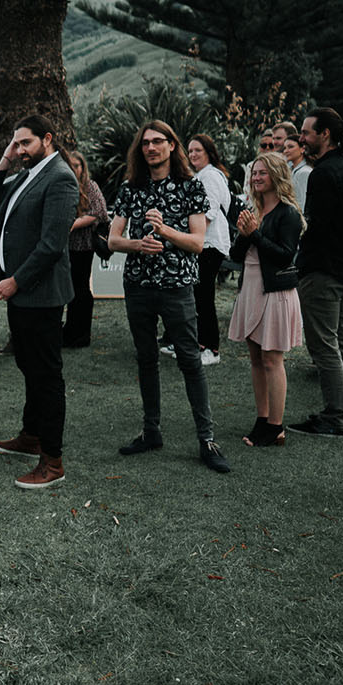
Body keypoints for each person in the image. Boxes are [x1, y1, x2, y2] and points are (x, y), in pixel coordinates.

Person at [108, 121, 230, 474]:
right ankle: (151, 431)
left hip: (177, 285)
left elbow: (196, 242)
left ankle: (206, 439)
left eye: (158, 141)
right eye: (145, 143)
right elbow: (113, 240)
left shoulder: (191, 186)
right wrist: (137, 244)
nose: (150, 147)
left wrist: (163, 231)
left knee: (190, 360)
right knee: (145, 358)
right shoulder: (131, 188)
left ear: (172, 146)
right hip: (139, 286)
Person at [0, 114, 77, 489]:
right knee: (28, 365)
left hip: (39, 293)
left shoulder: (60, 178)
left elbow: (52, 245)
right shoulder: (27, 172)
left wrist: (15, 282)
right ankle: (31, 435)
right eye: (16, 143)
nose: (20, 149)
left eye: (26, 143)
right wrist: (7, 157)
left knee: (46, 375)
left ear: (47, 139)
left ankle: (52, 461)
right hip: (22, 294)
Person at [287, 109, 343, 439]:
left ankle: (335, 416)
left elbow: (315, 227)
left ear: (326, 135)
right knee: (342, 342)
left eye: (306, 133)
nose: (301, 138)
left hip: (323, 271)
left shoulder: (322, 174)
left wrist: (295, 240)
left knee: (325, 347)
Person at [228, 152, 305, 448]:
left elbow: (285, 254)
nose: (256, 178)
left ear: (276, 176)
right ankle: (262, 418)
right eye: (254, 173)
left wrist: (256, 234)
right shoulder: (254, 209)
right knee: (256, 359)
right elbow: (235, 255)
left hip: (275, 291)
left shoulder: (288, 213)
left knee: (272, 359)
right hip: (250, 287)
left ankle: (276, 426)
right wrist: (245, 233)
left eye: (262, 173)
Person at [186, 133, 232, 366]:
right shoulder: (201, 175)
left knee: (204, 296)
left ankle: (212, 349)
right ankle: (201, 344)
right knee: (198, 296)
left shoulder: (211, 176)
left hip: (210, 243)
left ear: (208, 152)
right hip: (202, 243)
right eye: (190, 151)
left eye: (198, 150)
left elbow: (209, 213)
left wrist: (189, 238)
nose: (193, 154)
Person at [61, 148, 107, 348]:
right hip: (66, 246)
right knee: (70, 288)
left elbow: (99, 212)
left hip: (83, 245)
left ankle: (81, 334)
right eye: (70, 165)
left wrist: (72, 224)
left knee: (80, 288)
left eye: (77, 165)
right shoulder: (64, 184)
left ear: (83, 167)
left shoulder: (90, 186)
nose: (74, 169)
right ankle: (71, 329)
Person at [282, 128, 311, 204]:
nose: (286, 151)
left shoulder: (304, 172)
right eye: (284, 148)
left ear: (302, 149)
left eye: (290, 147)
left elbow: (303, 202)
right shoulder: (290, 170)